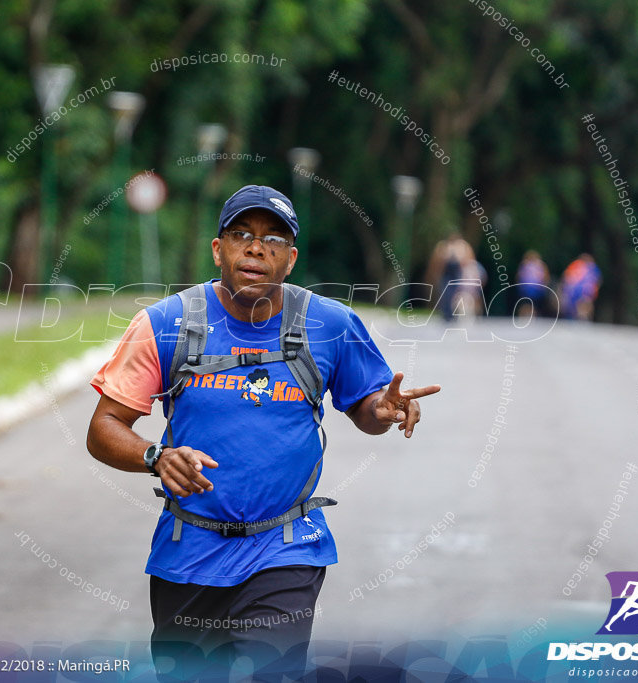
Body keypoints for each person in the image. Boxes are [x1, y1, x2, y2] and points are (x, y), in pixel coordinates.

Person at [86, 185, 441, 681]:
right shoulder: (166, 323)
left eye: (273, 239)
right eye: (241, 234)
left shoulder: (331, 324)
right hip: (189, 552)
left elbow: (367, 406)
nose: (257, 247)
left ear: (290, 259)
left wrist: (381, 408)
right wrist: (155, 455)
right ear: (218, 249)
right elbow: (104, 426)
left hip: (286, 548)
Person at [426, 232, 475, 321]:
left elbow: (468, 260)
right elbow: (437, 261)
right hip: (447, 274)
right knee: (446, 293)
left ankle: (454, 313)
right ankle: (446, 313)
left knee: (456, 294)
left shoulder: (462, 245)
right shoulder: (443, 246)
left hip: (456, 274)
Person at [560, 253, 602, 321]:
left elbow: (567, 277)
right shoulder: (592, 267)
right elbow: (598, 280)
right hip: (585, 290)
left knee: (581, 305)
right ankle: (583, 317)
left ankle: (581, 317)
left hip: (579, 290)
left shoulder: (577, 265)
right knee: (584, 304)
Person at [516, 250, 551, 317]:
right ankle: (529, 315)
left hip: (530, 288)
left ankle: (527, 315)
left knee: (527, 303)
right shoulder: (538, 264)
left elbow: (519, 276)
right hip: (533, 288)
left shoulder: (525, 264)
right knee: (531, 303)